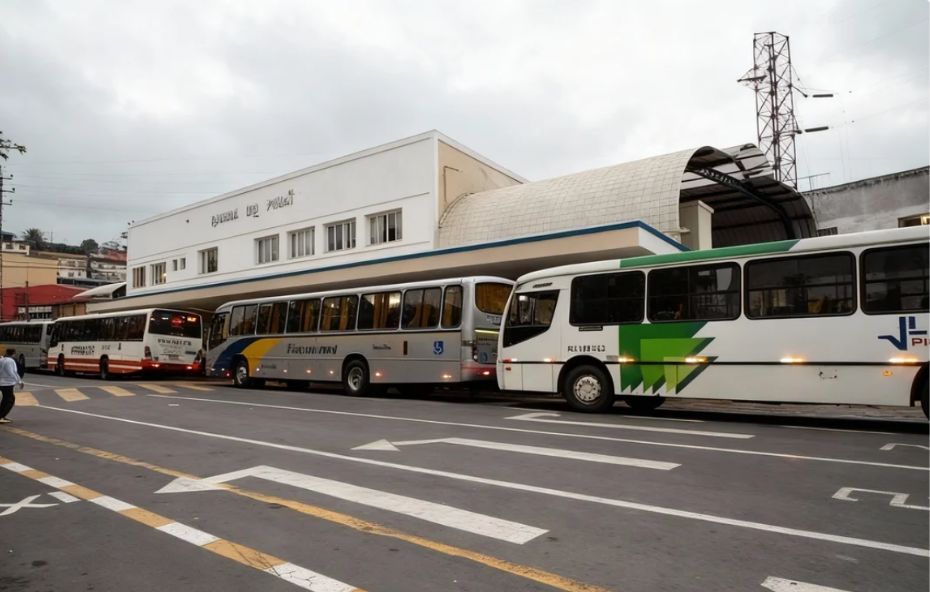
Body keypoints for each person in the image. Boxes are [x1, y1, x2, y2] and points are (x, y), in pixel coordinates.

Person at [0, 348, 24, 424]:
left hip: (1, 383)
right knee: (10, 400)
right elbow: (12, 372)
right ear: (14, 353)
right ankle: (1, 417)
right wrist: (19, 381)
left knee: (5, 400)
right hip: (7, 383)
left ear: (6, 352)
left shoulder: (2, 360)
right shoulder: (11, 361)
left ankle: (1, 416)